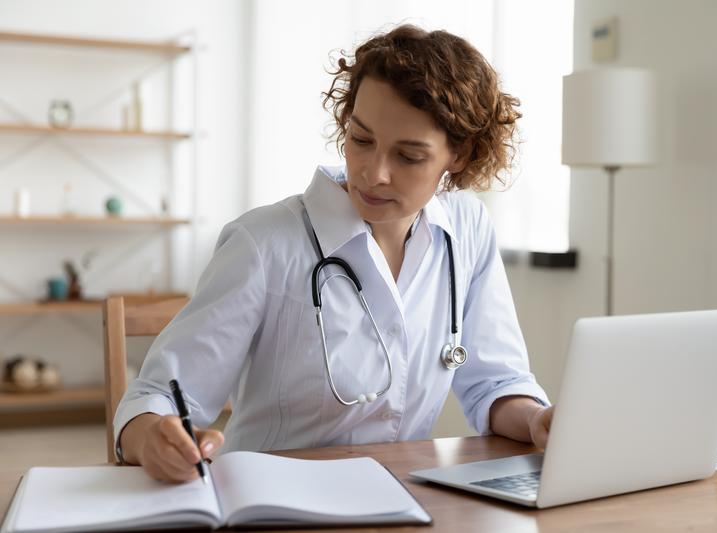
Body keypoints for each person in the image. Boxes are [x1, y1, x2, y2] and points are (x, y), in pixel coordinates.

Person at [115, 24, 553, 483]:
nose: (374, 173)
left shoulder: (467, 230)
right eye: (361, 140)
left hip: (406, 496)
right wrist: (153, 437)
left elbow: (496, 383)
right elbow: (156, 396)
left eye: (408, 156)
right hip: (275, 502)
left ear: (458, 155)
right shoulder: (264, 244)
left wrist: (536, 421)